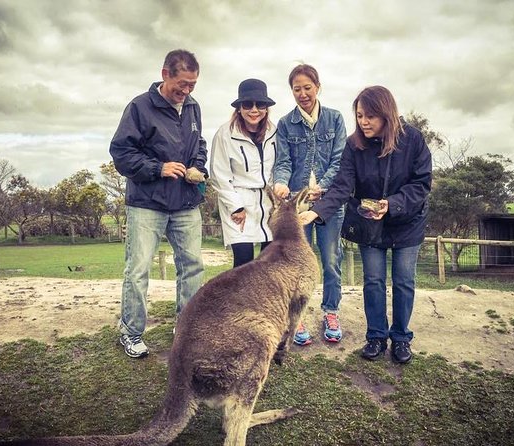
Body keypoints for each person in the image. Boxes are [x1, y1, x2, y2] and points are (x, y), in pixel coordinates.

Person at [299, 85, 432, 364]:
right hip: (370, 225)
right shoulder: (354, 144)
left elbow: (422, 184)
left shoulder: (414, 140)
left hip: (407, 223)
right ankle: (375, 336)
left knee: (404, 281)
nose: (364, 122)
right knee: (373, 281)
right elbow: (342, 186)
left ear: (387, 114)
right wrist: (316, 212)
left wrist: (392, 204)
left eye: (370, 116)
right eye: (359, 115)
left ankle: (401, 339)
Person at [109, 49, 207, 358]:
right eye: (182, 83)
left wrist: (199, 168)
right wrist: (158, 168)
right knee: (138, 270)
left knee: (192, 267)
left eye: (192, 84)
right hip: (147, 204)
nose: (186, 91)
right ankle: (131, 333)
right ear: (165, 74)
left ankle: (188, 329)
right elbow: (121, 153)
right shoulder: (139, 107)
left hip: (186, 204)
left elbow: (199, 144)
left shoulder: (193, 107)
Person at [273, 64, 347, 345]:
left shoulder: (335, 119)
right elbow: (283, 162)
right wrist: (281, 182)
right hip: (296, 206)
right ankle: (297, 316)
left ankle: (331, 311)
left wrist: (321, 188)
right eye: (296, 89)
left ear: (318, 86)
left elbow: (340, 161)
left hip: (328, 204)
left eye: (307, 87)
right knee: (295, 264)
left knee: (330, 260)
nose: (302, 94)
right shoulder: (285, 124)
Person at [209, 79, 278, 267]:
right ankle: (238, 298)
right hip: (239, 202)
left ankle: (265, 298)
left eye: (260, 104)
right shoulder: (225, 134)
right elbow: (219, 175)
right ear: (239, 107)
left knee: (268, 263)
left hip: (268, 203)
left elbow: (279, 167)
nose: (254, 110)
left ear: (266, 108)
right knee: (243, 262)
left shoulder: (275, 132)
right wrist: (236, 206)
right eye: (248, 104)